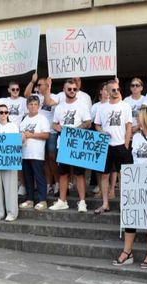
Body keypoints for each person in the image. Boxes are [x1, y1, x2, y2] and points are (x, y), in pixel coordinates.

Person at [113, 106, 147, 268]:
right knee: (131, 216)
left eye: (140, 117)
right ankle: (127, 251)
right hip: (137, 182)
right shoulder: (136, 137)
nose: (138, 120)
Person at [49, 80, 92, 212]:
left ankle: (82, 202)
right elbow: (54, 124)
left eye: (74, 89)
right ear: (64, 89)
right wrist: (61, 129)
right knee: (63, 173)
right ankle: (62, 201)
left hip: (77, 143)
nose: (72, 91)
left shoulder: (82, 105)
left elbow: (88, 122)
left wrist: (76, 130)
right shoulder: (59, 107)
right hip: (63, 143)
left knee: (79, 174)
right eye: (69, 89)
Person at [94, 80, 133, 214]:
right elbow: (97, 124)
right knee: (105, 175)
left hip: (122, 144)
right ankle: (105, 203)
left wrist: (127, 144)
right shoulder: (101, 107)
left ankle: (124, 204)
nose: (116, 92)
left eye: (118, 89)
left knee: (124, 175)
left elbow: (129, 126)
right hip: (107, 145)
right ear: (107, 92)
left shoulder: (125, 106)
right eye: (113, 90)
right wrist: (101, 132)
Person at [25, 73, 60, 196]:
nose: (38, 87)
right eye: (37, 85)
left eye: (40, 84)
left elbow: (47, 102)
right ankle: (48, 184)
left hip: (51, 132)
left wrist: (48, 88)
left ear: (47, 84)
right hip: (38, 132)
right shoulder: (35, 97)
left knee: (52, 157)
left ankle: (57, 183)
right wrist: (32, 81)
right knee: (43, 159)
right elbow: (26, 95)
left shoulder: (56, 96)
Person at [19, 96, 50, 211]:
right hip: (25, 153)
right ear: (27, 106)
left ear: (39, 106)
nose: (33, 106)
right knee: (27, 178)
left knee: (39, 177)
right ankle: (30, 200)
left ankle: (43, 200)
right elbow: (21, 134)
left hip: (37, 153)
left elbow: (46, 135)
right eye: (31, 104)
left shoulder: (42, 119)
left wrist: (31, 135)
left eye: (35, 104)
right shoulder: (24, 119)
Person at [0, 104, 19, 222]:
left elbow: (16, 143)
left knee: (10, 187)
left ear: (8, 114)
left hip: (10, 161)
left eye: (5, 112)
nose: (3, 114)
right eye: (1, 112)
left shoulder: (13, 126)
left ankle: (11, 213)